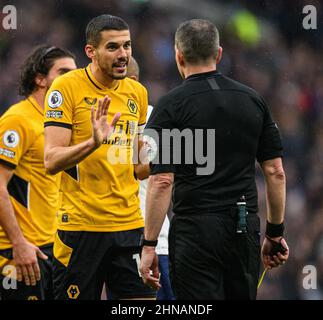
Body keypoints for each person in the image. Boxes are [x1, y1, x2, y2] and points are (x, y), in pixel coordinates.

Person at [139, 19, 289, 300]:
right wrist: (275, 233)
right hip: (243, 225)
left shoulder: (170, 106)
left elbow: (161, 180)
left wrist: (149, 244)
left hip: (195, 230)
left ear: (178, 55)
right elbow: (276, 172)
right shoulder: (253, 100)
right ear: (219, 54)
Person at [43, 14, 155, 300]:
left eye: (127, 46)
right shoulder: (66, 88)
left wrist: (164, 158)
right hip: (81, 229)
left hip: (129, 226)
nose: (123, 55)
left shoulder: (137, 93)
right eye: (113, 47)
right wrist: (93, 143)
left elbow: (139, 168)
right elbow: (51, 161)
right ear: (90, 52)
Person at [0, 45, 76, 300]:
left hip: (52, 249)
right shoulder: (18, 120)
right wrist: (19, 245)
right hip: (19, 251)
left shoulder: (59, 125)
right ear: (40, 78)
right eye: (63, 72)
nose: (71, 79)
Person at [127, 57, 175, 300]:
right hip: (110, 238)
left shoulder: (154, 118)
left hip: (155, 243)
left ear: (133, 82)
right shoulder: (96, 119)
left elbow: (163, 174)